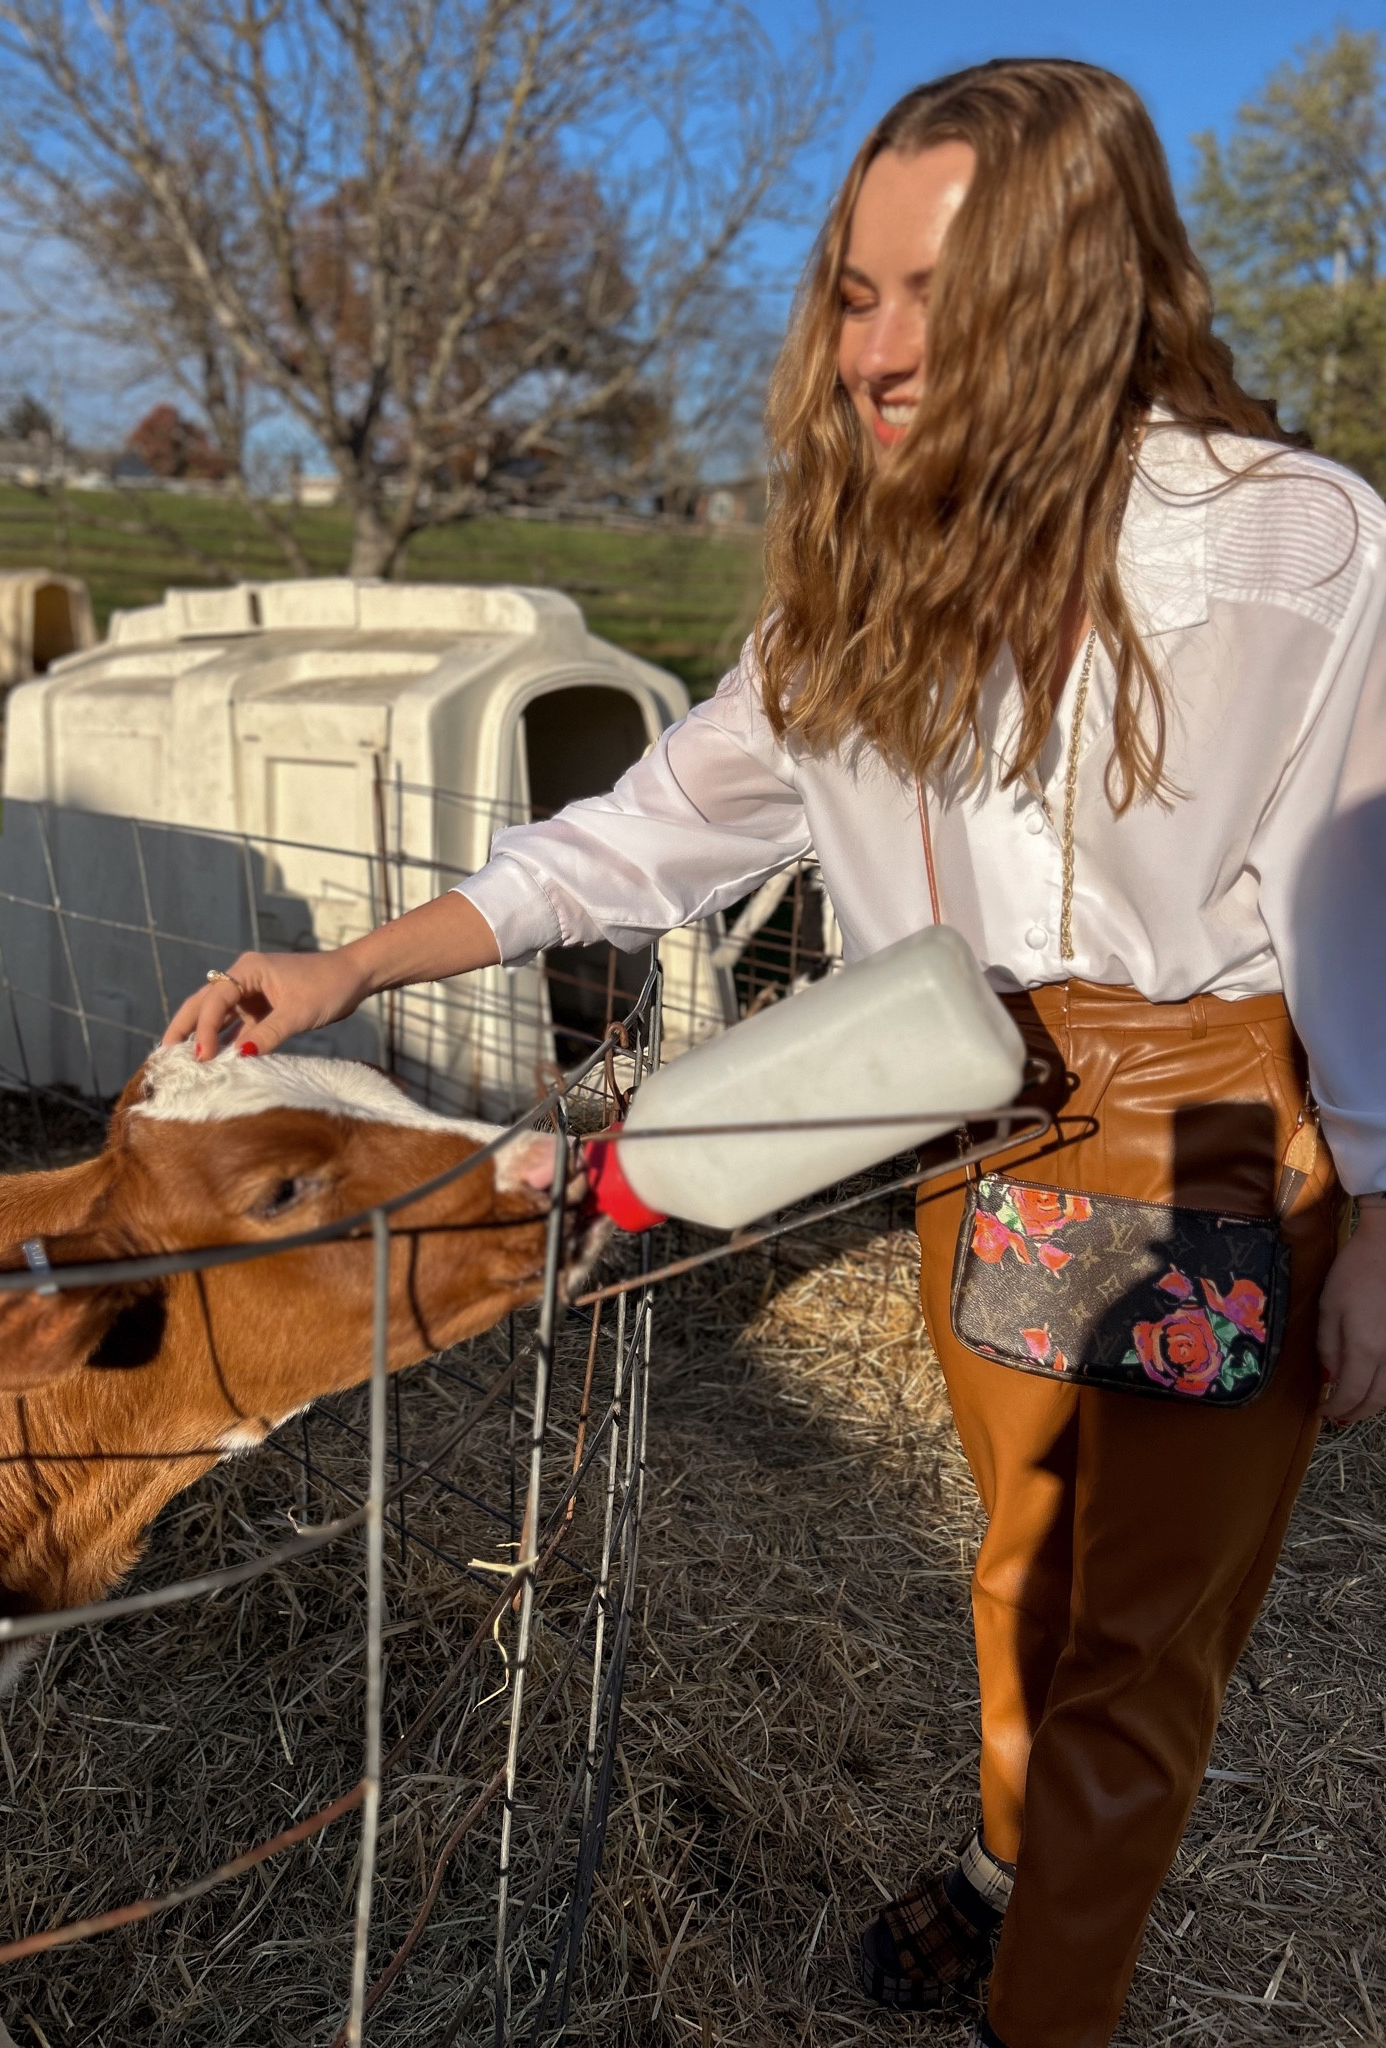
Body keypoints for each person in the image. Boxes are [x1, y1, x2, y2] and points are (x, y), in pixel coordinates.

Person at [165, 58, 1386, 2048]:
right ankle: (1008, 1871)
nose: (882, 349)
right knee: (1024, 1559)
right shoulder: (862, 581)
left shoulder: (1296, 549)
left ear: (1083, 280)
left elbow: (1372, 889)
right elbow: (645, 828)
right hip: (963, 1124)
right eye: (855, 292)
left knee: (1135, 1660)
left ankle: (1042, 2007)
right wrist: (357, 963)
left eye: (938, 292)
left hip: (1206, 1147)